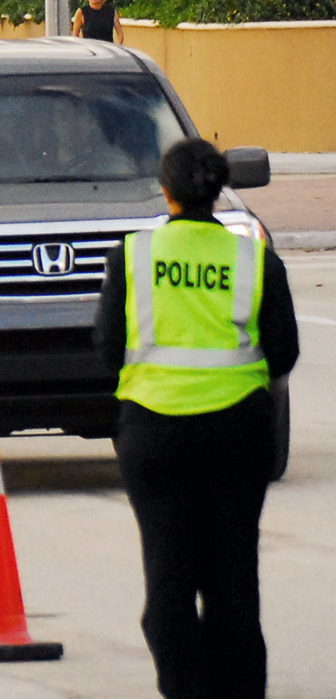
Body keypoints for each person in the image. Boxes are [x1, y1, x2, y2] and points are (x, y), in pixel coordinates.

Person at [96, 138, 298, 699]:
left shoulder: (131, 257)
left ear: (166, 192)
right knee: (233, 576)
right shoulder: (255, 260)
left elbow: (108, 349)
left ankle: (186, 686)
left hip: (154, 433)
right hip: (237, 434)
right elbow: (283, 354)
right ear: (218, 190)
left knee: (169, 572)